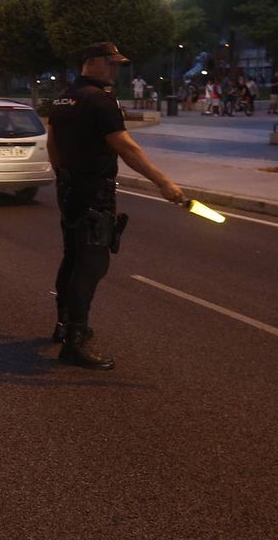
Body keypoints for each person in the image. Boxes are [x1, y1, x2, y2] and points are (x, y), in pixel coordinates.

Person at [47, 42, 186, 370]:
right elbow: (126, 147)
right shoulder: (100, 101)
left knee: (72, 258)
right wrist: (163, 182)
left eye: (118, 65)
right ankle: (75, 343)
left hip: (69, 188)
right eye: (111, 64)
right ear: (92, 62)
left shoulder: (63, 97)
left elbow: (52, 143)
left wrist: (63, 178)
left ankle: (64, 325)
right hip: (94, 191)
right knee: (92, 265)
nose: (116, 71)